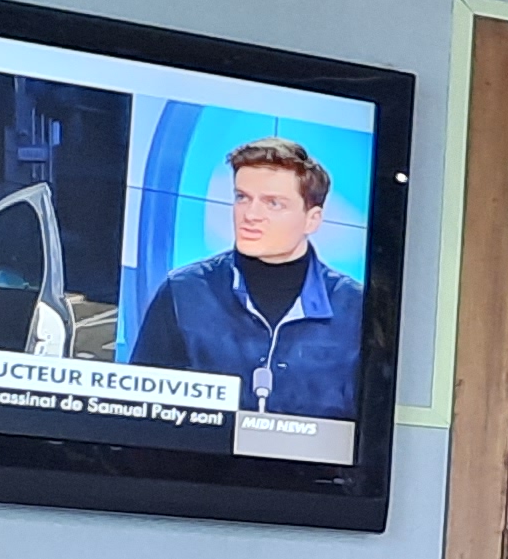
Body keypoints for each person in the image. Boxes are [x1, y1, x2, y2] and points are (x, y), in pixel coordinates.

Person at [125, 136, 362, 419]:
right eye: (242, 198)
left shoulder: (356, 309)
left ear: (312, 219)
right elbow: (140, 411)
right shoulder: (184, 292)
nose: (250, 215)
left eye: (273, 203)